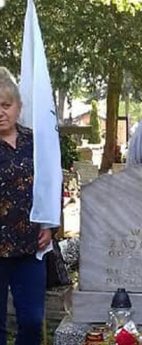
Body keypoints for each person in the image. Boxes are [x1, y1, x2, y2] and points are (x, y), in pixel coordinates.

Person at [0, 67, 53, 345]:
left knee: (32, 321)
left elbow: (50, 184)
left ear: (18, 107)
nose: (0, 112)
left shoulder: (36, 142)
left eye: (6, 105)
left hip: (30, 245)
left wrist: (49, 225)